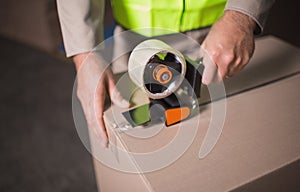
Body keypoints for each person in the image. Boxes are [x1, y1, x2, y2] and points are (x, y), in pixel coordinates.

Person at [56, 0, 275, 147]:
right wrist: (84, 53)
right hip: (134, 34)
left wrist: (241, 15)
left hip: (220, 31)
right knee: (127, 126)